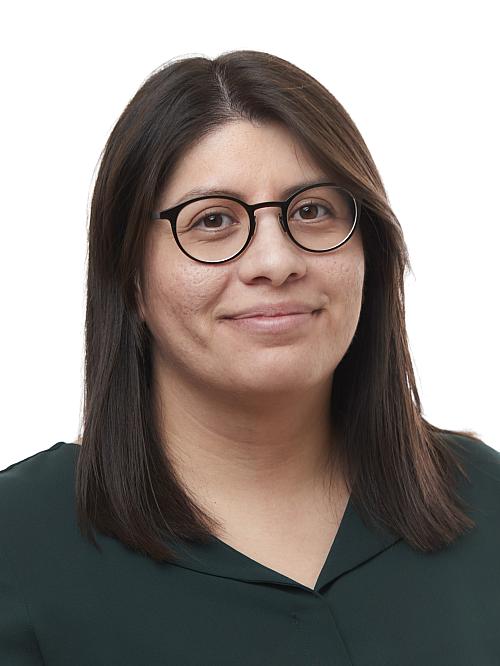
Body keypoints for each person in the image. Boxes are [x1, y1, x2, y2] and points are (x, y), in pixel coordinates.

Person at [1, 49, 499, 665]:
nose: (275, 261)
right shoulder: (18, 546)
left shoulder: (486, 503)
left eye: (312, 211)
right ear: (129, 278)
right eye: (213, 220)